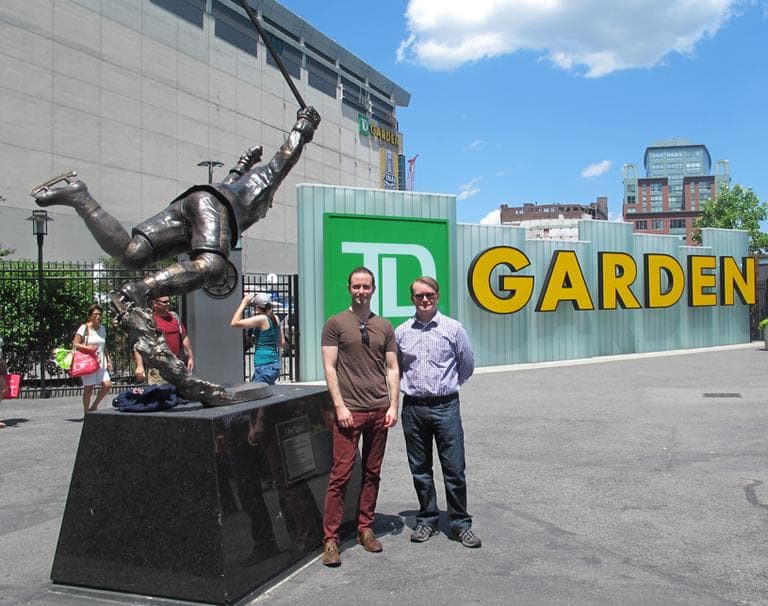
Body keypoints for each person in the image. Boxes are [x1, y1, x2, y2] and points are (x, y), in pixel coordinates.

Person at [30, 107, 321, 308]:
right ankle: (142, 290)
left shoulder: (243, 179)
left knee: (132, 254)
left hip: (194, 201)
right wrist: (305, 125)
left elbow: (229, 181)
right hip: (213, 206)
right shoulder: (266, 182)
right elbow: (286, 155)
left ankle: (81, 198)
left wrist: (244, 163)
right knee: (214, 266)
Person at [319, 267, 400, 566]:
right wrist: (339, 406)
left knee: (372, 472)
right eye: (356, 286)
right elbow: (329, 367)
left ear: (374, 289)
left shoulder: (385, 326)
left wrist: (394, 406)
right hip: (350, 411)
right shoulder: (336, 323)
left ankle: (365, 528)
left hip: (379, 409)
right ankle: (331, 539)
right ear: (349, 288)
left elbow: (392, 368)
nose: (361, 291)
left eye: (366, 286)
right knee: (340, 475)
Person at [395, 276, 481, 548]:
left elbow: (466, 364)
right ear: (412, 299)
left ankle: (460, 523)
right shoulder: (401, 332)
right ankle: (427, 519)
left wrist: (448, 387)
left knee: (454, 469)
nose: (424, 299)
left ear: (437, 296)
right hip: (413, 409)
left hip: (446, 406)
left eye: (429, 294)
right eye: (419, 295)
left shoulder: (453, 329)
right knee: (420, 469)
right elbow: (394, 368)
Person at [134, 296, 194, 384]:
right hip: (158, 366)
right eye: (165, 302)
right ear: (155, 304)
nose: (168, 304)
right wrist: (139, 366)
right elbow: (139, 343)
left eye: (168, 301)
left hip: (175, 364)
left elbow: (184, 337)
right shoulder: (149, 320)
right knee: (159, 394)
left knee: (176, 394)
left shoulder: (174, 317)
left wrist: (190, 357)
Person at [230, 292, 284, 385]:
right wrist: (265, 341)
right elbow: (281, 342)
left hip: (264, 365)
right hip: (273, 364)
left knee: (257, 396)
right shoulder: (275, 318)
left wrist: (243, 304)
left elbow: (234, 323)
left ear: (258, 307)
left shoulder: (262, 319)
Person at [74, 304, 113, 414]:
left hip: (101, 362)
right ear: (90, 316)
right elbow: (75, 343)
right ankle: (87, 412)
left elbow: (104, 346)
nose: (98, 316)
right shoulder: (84, 328)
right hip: (89, 361)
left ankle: (94, 405)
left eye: (100, 314)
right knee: (89, 389)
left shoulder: (102, 328)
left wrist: (109, 360)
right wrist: (88, 348)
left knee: (107, 384)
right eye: (95, 314)